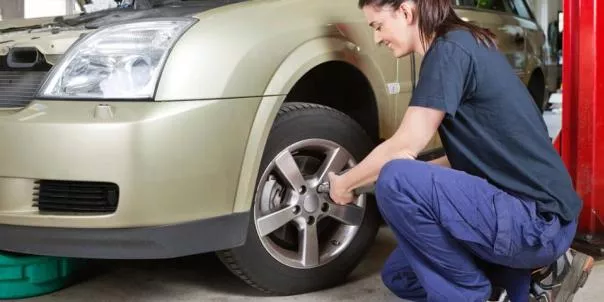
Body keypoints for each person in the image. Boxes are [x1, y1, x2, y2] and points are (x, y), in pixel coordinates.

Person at [327, 0, 594, 301]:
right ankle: (527, 281)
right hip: (535, 217)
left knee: (396, 179)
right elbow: (464, 157)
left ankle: (473, 294)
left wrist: (345, 183)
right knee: (400, 276)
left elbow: (404, 146)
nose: (377, 38)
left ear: (405, 11)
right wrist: (385, 177)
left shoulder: (448, 51)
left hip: (535, 221)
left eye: (378, 26)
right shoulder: (467, 41)